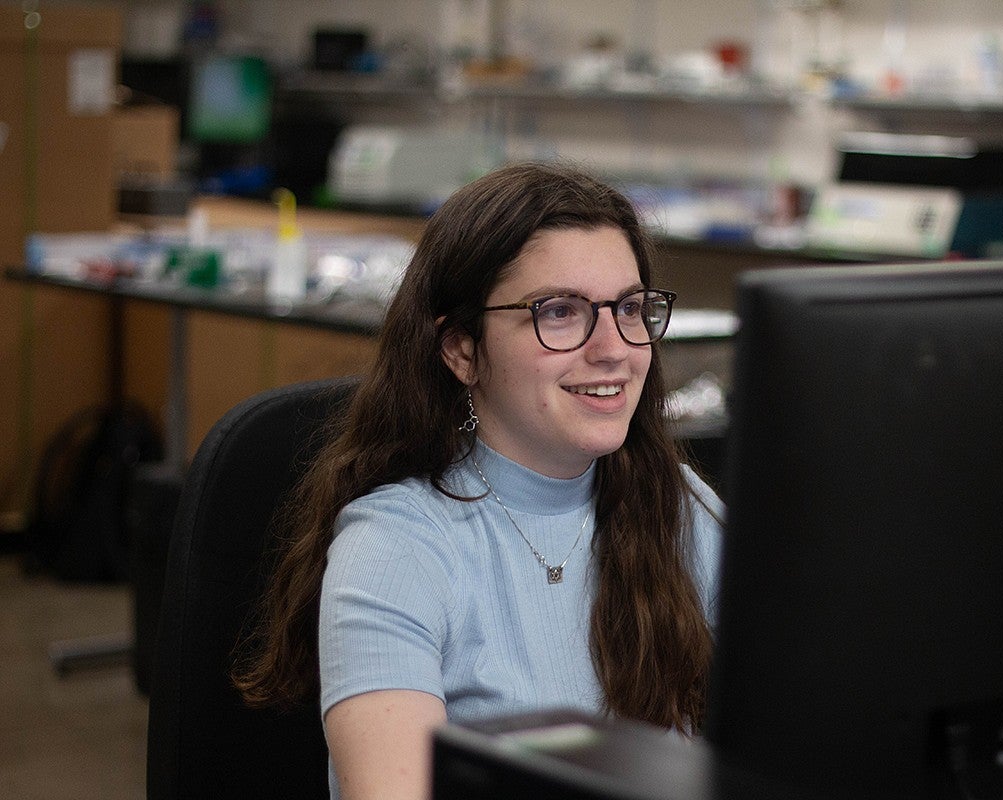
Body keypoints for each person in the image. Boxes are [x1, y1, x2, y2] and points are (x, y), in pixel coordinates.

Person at [233, 161, 724, 800]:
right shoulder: (398, 547)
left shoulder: (681, 509)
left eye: (631, 308)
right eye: (560, 312)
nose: (615, 348)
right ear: (462, 350)